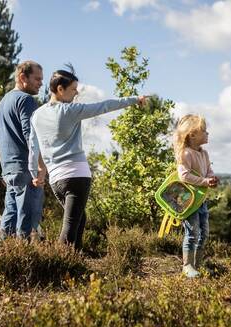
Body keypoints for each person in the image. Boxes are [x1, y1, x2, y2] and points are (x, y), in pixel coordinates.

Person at [28, 67, 148, 250]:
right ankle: (60, 264)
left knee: (79, 218)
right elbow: (104, 106)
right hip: (76, 176)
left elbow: (34, 146)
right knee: (69, 227)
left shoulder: (37, 115)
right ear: (60, 89)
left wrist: (37, 172)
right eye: (73, 89)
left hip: (55, 180)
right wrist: (134, 100)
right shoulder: (70, 110)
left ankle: (77, 259)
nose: (76, 93)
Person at [0, 60, 46, 240]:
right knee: (27, 221)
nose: (41, 83)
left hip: (9, 171)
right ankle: (21, 262)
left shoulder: (3, 103)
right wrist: (40, 166)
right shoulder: (26, 100)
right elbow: (30, 136)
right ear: (23, 77)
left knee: (8, 219)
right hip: (25, 170)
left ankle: (1, 259)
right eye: (37, 79)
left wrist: (4, 169)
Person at [173, 114, 219, 278]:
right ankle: (187, 266)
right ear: (192, 135)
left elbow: (208, 171)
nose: (207, 134)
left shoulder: (204, 154)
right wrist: (204, 181)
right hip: (188, 201)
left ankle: (198, 265)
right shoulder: (185, 154)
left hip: (201, 200)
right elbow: (183, 176)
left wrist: (211, 178)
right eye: (204, 131)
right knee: (192, 232)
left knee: (204, 232)